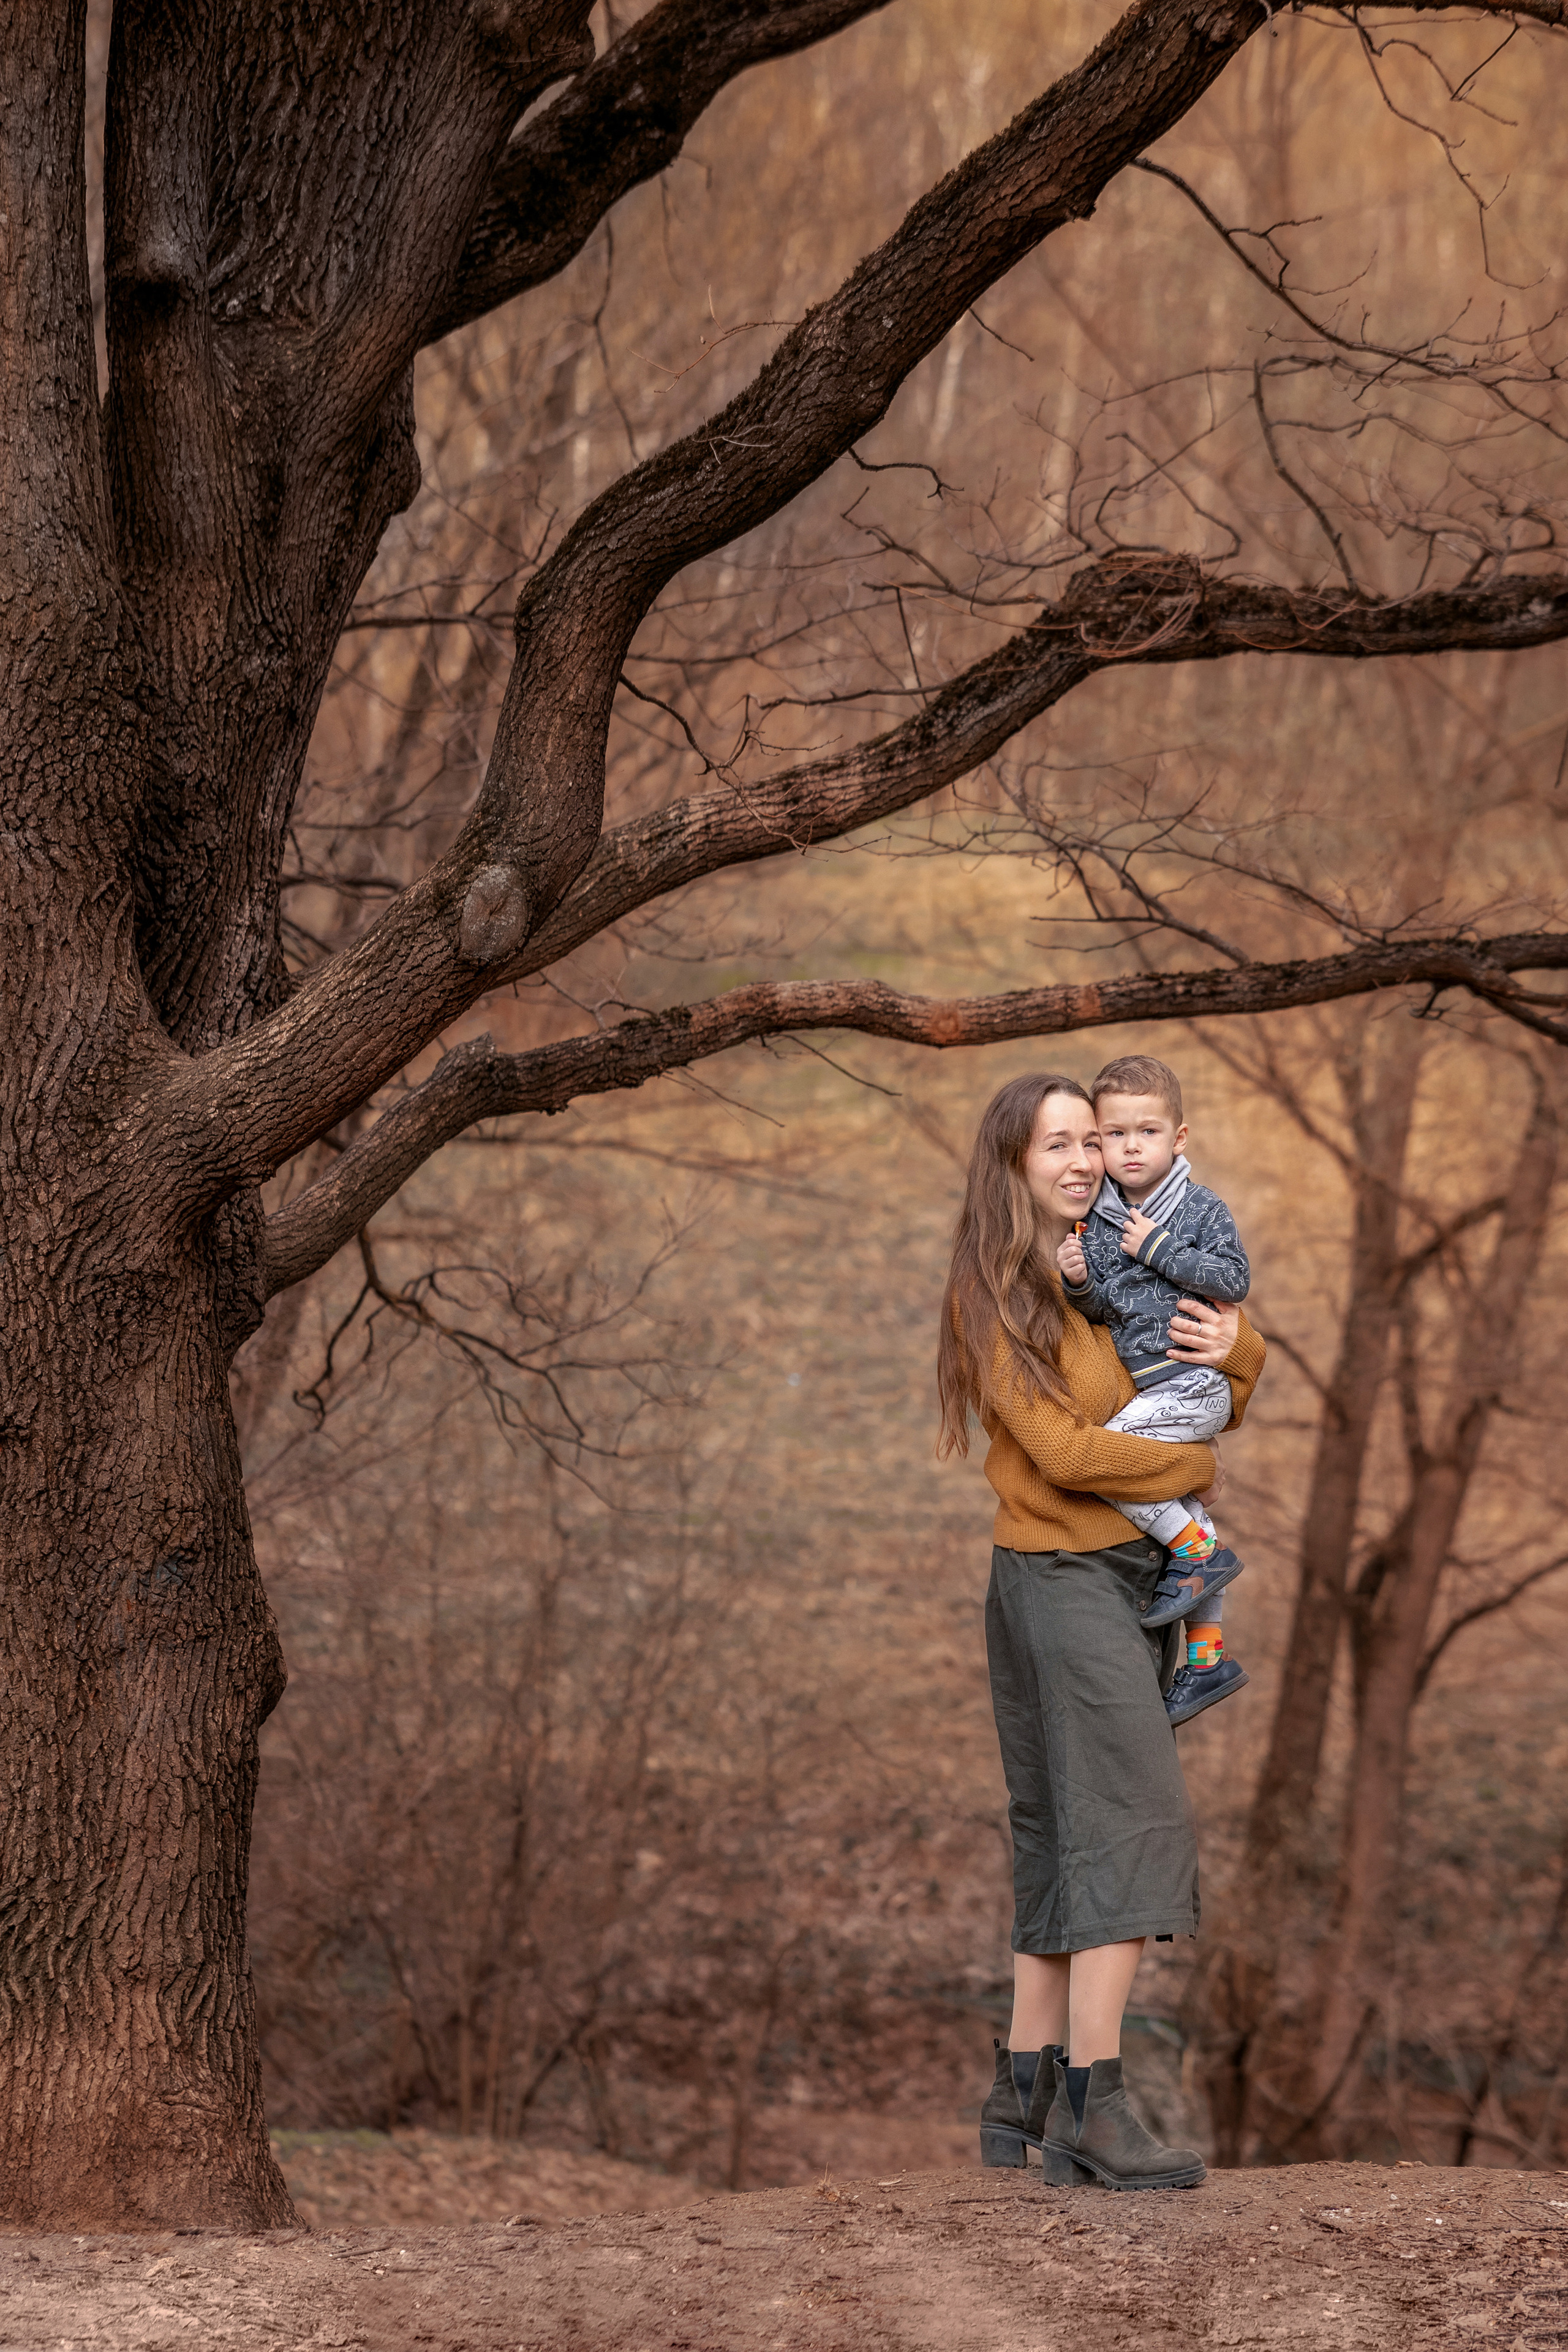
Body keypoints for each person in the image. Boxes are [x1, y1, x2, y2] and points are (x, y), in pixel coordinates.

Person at [937, 1071, 1265, 2189]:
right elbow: (1071, 1456)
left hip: (1119, 1577)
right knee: (1127, 1823)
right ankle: (1096, 2103)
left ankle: (1025, 2088)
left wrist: (1240, 1350)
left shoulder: (1103, 1262)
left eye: (1092, 1140)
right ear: (1012, 1167)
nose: (1082, 1161)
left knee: (1071, 1828)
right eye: (1056, 1147)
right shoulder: (998, 1293)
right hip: (1059, 1575)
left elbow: (1201, 1359)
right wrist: (1197, 1466)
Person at [1057, 1053, 1253, 1727]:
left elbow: (1232, 1282)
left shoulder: (1199, 1209)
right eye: (1114, 1134)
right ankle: (1207, 1658)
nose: (1129, 1146)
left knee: (1107, 1460)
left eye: (1146, 1131)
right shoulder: (1099, 1222)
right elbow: (1105, 1314)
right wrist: (1080, 1282)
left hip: (1194, 1385)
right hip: (1153, 1390)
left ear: (1178, 1139)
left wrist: (1160, 1249)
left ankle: (1198, 1552)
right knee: (1163, 1492)